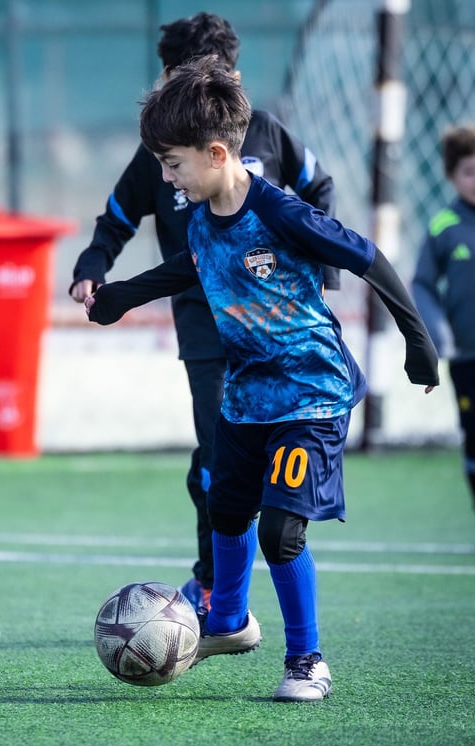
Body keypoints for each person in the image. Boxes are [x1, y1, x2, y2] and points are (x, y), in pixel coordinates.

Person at [84, 58, 438, 702]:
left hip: (312, 396)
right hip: (246, 400)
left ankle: (307, 661)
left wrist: (417, 342)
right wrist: (121, 297)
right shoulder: (200, 217)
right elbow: (190, 266)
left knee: (280, 531)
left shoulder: (282, 214)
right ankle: (228, 621)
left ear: (216, 154)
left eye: (172, 164)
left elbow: (368, 257)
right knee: (224, 508)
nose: (166, 178)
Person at [70, 13, 339, 612]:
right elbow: (115, 219)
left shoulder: (266, 133)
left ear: (230, 80)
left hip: (276, 328)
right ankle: (216, 587)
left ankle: (272, 570)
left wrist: (323, 271)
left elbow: (320, 190)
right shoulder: (161, 154)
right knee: (217, 459)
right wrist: (92, 267)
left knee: (270, 455)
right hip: (204, 326)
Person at [412, 123, 475, 510]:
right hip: (467, 357)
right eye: (469, 172)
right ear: (451, 175)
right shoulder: (444, 227)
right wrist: (439, 334)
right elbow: (422, 284)